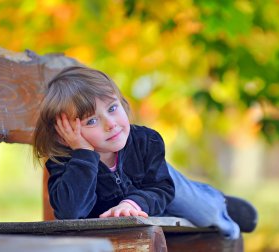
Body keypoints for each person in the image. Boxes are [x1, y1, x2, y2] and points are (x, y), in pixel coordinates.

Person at [33, 66, 257, 240]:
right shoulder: (64, 163)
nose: (111, 124)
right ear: (65, 135)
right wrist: (83, 154)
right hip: (144, 206)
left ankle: (221, 204)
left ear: (122, 102)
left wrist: (133, 203)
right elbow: (71, 214)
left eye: (112, 108)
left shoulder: (145, 142)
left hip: (154, 187)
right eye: (91, 120)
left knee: (205, 212)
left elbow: (161, 188)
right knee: (176, 215)